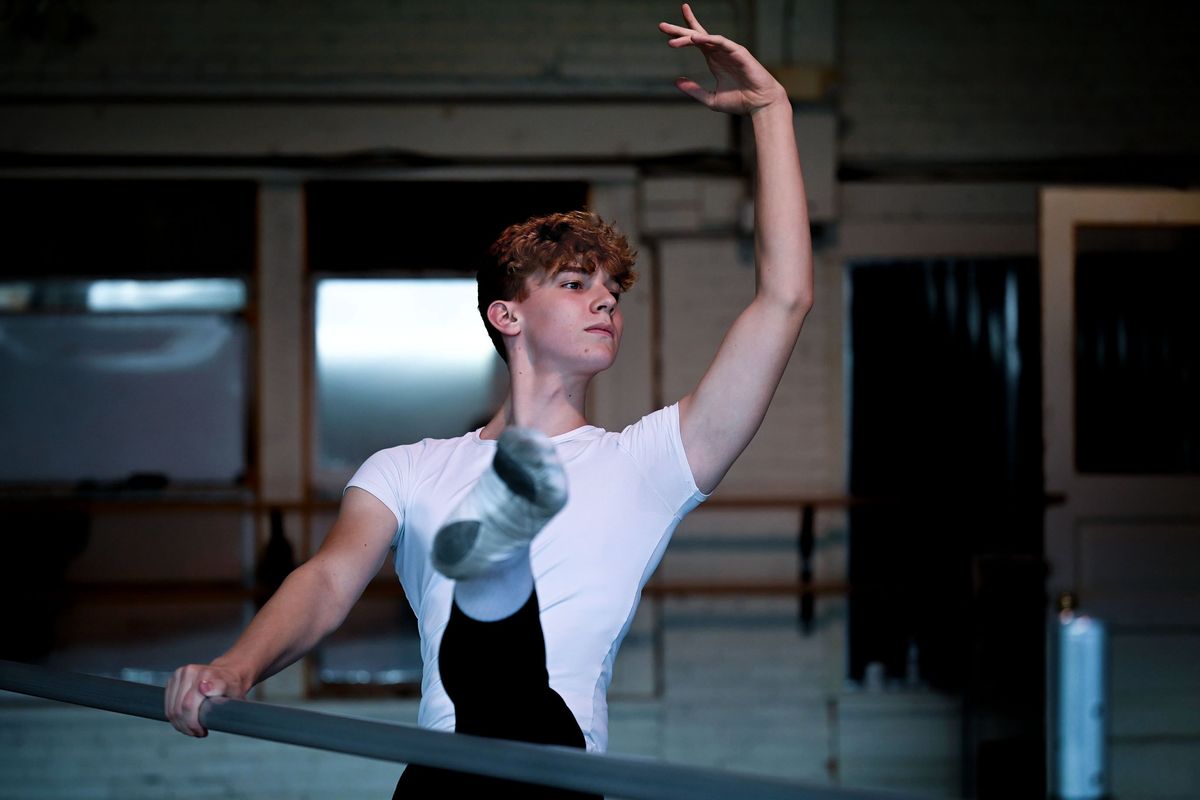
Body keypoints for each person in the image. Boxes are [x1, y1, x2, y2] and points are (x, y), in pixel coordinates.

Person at [165, 4, 812, 797]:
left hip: (554, 763)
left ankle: (495, 579)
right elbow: (330, 582)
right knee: (473, 708)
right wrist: (236, 667)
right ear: (505, 316)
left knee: (512, 687)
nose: (605, 302)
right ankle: (495, 576)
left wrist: (774, 111)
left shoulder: (647, 462)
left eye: (612, 291)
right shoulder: (408, 469)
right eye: (575, 285)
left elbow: (783, 299)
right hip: (442, 773)